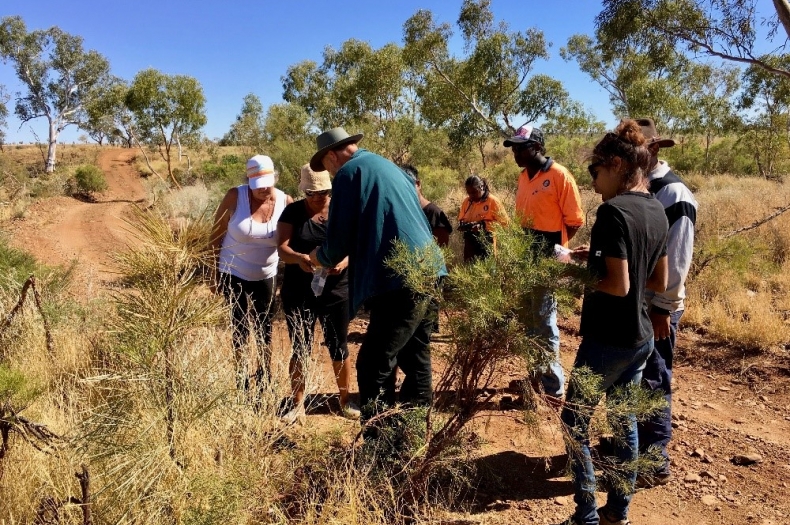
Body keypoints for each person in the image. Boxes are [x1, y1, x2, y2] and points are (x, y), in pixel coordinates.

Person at [558, 120, 668, 525]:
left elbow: (618, 285)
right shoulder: (656, 209)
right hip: (639, 337)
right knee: (624, 423)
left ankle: (586, 515)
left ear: (618, 164)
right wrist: (597, 258)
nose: (594, 182)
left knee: (574, 422)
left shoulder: (612, 211)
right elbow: (657, 280)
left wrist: (571, 270)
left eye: (596, 172)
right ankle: (618, 512)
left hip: (607, 339)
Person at [306, 127, 446, 419]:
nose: (330, 173)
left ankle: (381, 446)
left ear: (332, 156)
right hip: (429, 270)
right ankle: (414, 436)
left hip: (398, 278)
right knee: (415, 355)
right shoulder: (388, 167)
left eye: (327, 166)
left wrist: (317, 256)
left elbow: (336, 244)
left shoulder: (348, 173)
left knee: (372, 363)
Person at [634, 118, 698, 488]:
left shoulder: (674, 194)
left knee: (655, 378)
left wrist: (663, 306)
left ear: (653, 149)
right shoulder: (645, 187)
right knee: (636, 377)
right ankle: (633, 444)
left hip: (658, 306)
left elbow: (677, 256)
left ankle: (654, 458)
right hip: (638, 302)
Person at [504, 125, 584, 400]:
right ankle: (535, 376)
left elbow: (574, 221)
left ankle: (552, 386)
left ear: (537, 147)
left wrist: (556, 253)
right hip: (524, 258)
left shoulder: (559, 175)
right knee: (529, 321)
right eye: (513, 147)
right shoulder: (523, 177)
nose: (515, 151)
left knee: (545, 320)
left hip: (546, 261)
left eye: (520, 147)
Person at [277, 164, 360, 424]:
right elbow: (281, 249)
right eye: (311, 192)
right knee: (299, 346)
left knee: (338, 345)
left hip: (336, 290)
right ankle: (298, 404)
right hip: (299, 290)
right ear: (304, 190)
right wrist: (300, 258)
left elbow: (356, 245)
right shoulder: (292, 211)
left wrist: (344, 262)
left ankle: (345, 401)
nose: (317, 197)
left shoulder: (342, 208)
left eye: (322, 192)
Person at [210, 154, 293, 395]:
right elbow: (215, 235)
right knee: (239, 325)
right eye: (257, 185)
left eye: (267, 183)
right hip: (232, 269)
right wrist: (212, 274)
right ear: (248, 180)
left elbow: (292, 239)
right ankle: (241, 376)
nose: (262, 189)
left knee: (264, 325)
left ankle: (264, 373)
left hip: (266, 273)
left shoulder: (285, 201)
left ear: (274, 178)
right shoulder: (235, 196)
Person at [457, 175, 509, 262]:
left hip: (487, 241)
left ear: (481, 187)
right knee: (469, 270)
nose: (471, 196)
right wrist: (463, 225)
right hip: (469, 242)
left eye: (474, 192)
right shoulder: (467, 201)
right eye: (468, 193)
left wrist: (483, 225)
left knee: (487, 270)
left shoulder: (492, 201)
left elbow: (505, 224)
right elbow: (462, 218)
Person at [400, 164, 453, 247]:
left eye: (408, 186)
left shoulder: (434, 213)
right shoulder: (402, 210)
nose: (405, 191)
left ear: (418, 184)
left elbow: (443, 249)